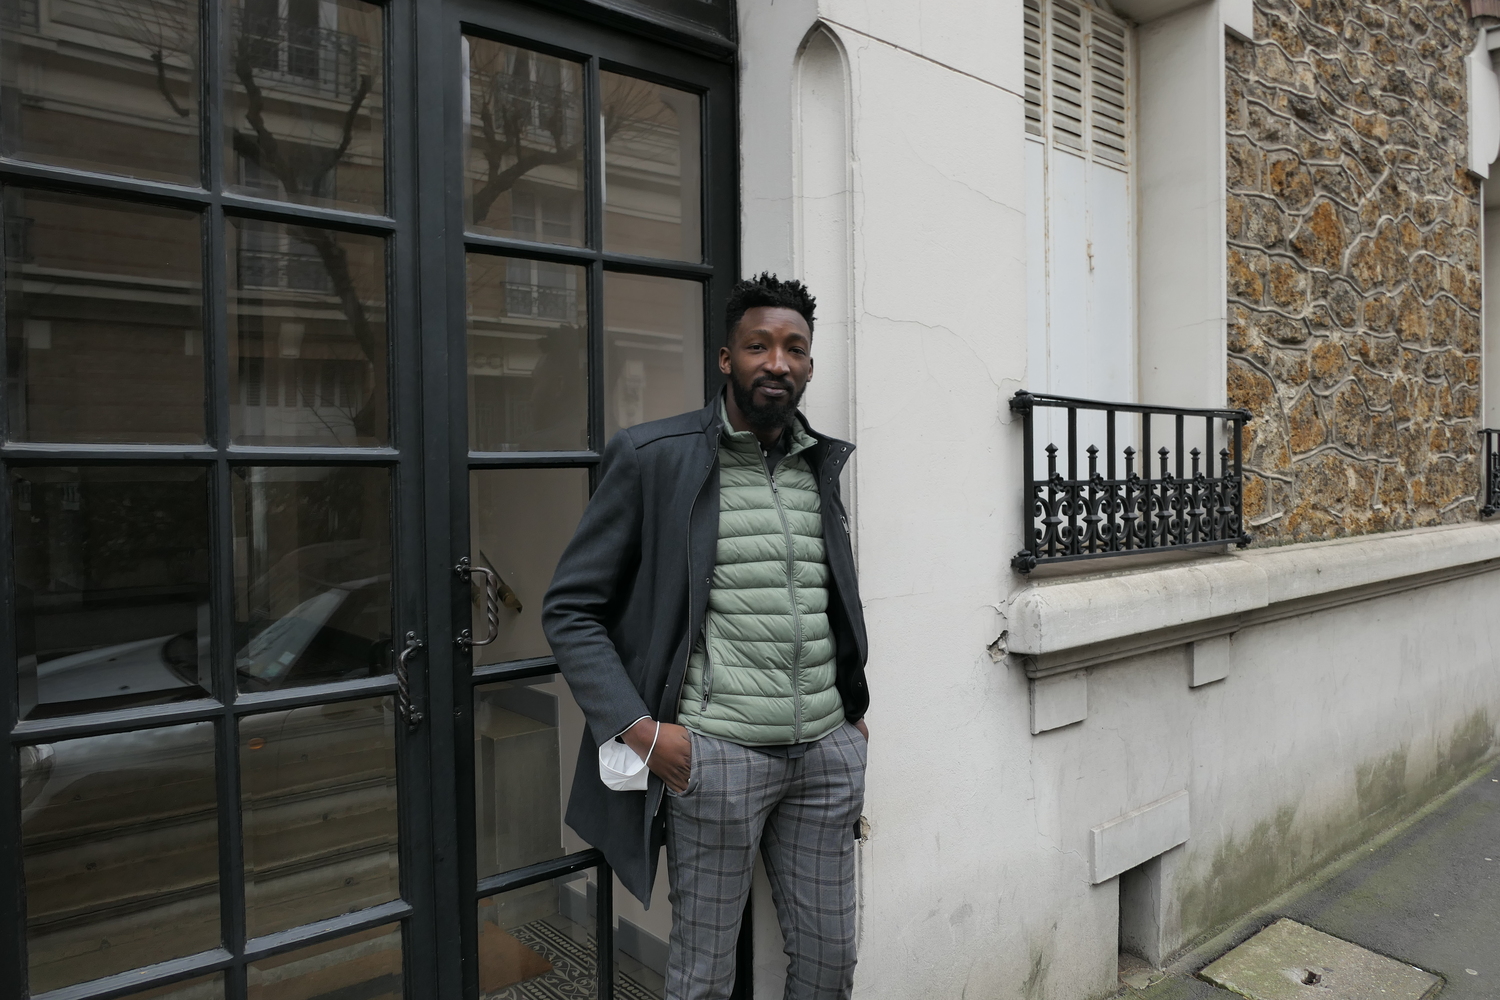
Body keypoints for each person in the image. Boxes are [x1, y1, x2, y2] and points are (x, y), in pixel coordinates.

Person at [543, 272, 870, 1000]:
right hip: (716, 760)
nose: (777, 362)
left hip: (824, 755)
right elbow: (570, 609)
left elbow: (824, 597)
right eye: (759, 345)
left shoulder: (820, 463)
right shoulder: (654, 457)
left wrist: (849, 714)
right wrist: (642, 733)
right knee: (703, 977)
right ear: (727, 358)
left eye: (794, 348)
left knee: (830, 965)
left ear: (810, 364)